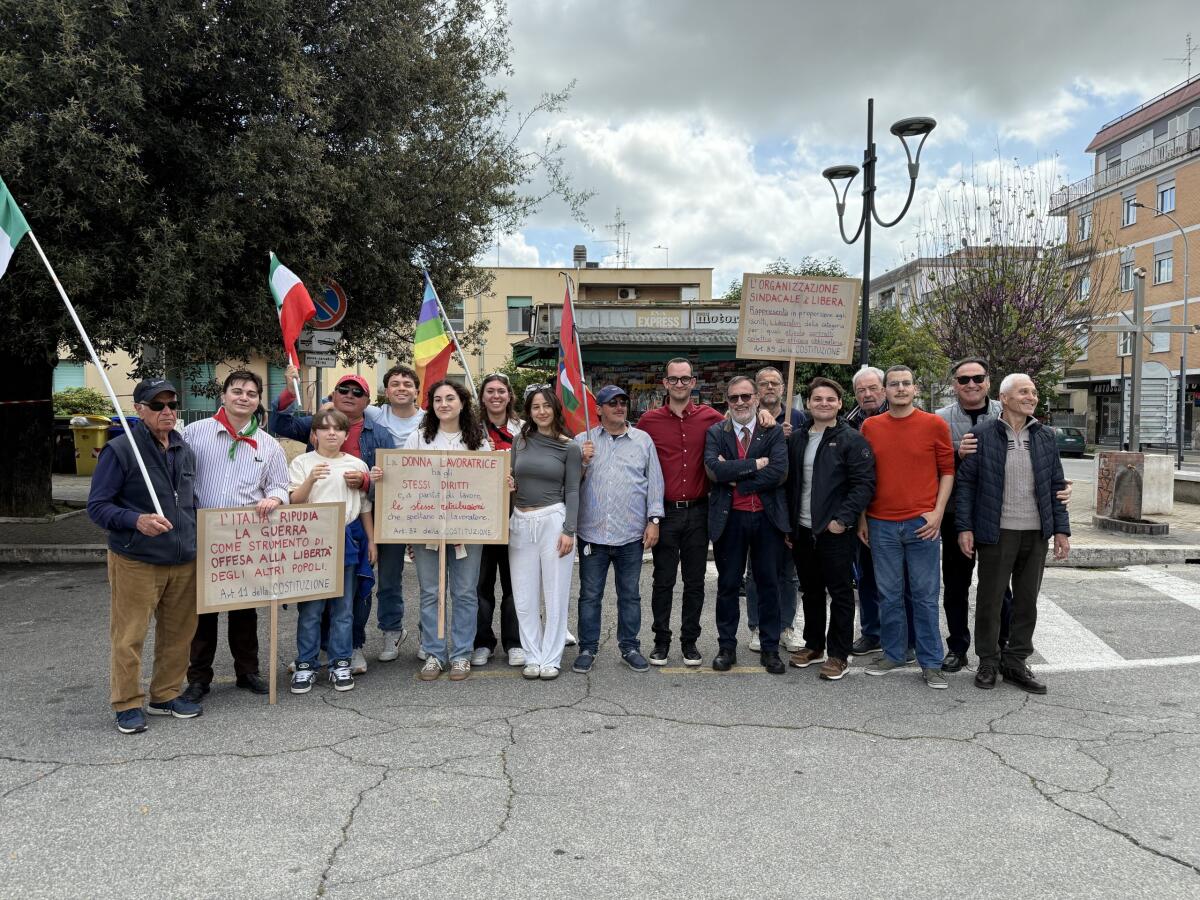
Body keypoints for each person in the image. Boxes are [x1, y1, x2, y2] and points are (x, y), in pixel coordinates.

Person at [87, 378, 201, 734]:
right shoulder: (120, 451)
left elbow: (189, 501)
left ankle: (165, 695)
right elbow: (98, 507)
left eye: (172, 404)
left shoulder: (184, 449)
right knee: (129, 634)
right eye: (157, 405)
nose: (167, 411)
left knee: (179, 634)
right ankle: (126, 702)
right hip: (136, 559)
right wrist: (135, 520)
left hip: (183, 557)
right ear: (139, 410)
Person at [272, 365, 395, 675]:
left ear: (367, 401)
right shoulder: (305, 455)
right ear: (315, 433)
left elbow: (391, 483)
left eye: (357, 392)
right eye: (344, 390)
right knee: (312, 605)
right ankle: (310, 656)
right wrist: (289, 389)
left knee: (352, 600)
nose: (349, 396)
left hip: (352, 531)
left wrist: (367, 483)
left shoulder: (378, 435)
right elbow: (279, 422)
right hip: (312, 536)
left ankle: (349, 650)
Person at [180, 370, 290, 704]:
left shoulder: (269, 445)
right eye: (237, 391)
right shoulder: (193, 434)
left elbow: (279, 485)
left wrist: (275, 497)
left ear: (258, 401)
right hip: (203, 533)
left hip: (245, 539)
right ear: (224, 395)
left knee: (244, 611)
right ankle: (198, 678)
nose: (243, 398)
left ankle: (247, 672)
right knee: (203, 612)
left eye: (251, 394)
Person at [957, 374, 1070, 694]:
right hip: (996, 531)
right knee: (991, 601)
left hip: (1036, 533)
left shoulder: (1046, 436)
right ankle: (989, 661)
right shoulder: (981, 433)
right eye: (1024, 392)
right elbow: (967, 484)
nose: (1031, 397)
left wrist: (1061, 530)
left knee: (1026, 602)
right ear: (1004, 399)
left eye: (1033, 392)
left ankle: (1016, 661)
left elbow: (1056, 487)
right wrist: (965, 527)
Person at [859, 365, 955, 689]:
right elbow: (863, 477)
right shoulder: (870, 427)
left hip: (921, 524)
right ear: (885, 391)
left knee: (925, 596)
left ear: (915, 389)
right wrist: (862, 518)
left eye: (906, 383)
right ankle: (894, 652)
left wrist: (938, 512)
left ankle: (931, 662)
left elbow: (947, 471)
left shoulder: (934, 425)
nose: (900, 388)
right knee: (888, 594)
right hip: (881, 524)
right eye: (894, 384)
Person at [785, 377, 875, 682]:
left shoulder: (851, 439)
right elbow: (790, 484)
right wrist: (789, 524)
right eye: (817, 399)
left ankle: (839, 654)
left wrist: (842, 520)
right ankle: (814, 646)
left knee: (839, 592)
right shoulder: (796, 438)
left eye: (830, 399)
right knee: (810, 590)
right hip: (802, 529)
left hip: (834, 530)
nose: (823, 404)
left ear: (839, 403)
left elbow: (863, 485)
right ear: (808, 404)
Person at [636, 358, 724, 666]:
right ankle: (661, 642)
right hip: (665, 513)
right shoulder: (648, 422)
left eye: (684, 379)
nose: (679, 384)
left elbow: (744, 424)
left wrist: (765, 414)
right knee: (663, 581)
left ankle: (690, 642)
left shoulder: (712, 418)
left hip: (699, 512)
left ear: (693, 382)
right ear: (665, 384)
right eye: (673, 379)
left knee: (695, 581)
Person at [573, 385, 664, 674]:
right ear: (598, 409)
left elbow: (655, 483)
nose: (619, 407)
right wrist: (582, 462)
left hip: (630, 535)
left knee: (630, 595)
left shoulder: (642, 440)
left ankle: (630, 647)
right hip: (592, 534)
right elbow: (569, 487)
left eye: (623, 402)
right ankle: (588, 647)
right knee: (590, 595)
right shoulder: (582, 441)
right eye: (611, 403)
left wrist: (654, 520)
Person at [405, 380, 492, 682]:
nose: (444, 404)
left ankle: (461, 655)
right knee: (431, 592)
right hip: (427, 528)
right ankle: (434, 653)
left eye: (450, 398)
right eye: (438, 399)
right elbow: (405, 478)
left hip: (467, 530)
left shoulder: (477, 440)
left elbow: (488, 482)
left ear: (463, 403)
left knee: (465, 592)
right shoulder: (418, 439)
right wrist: (383, 474)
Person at [704, 375, 789, 674]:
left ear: (755, 398)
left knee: (768, 584)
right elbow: (715, 470)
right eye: (733, 398)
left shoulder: (773, 432)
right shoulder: (716, 432)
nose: (740, 402)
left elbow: (779, 472)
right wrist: (754, 465)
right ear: (726, 402)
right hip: (731, 520)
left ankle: (770, 649)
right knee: (727, 585)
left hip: (767, 519)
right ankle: (726, 647)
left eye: (745, 396)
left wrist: (737, 481)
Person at [287, 409, 376, 694]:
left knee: (343, 608)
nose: (331, 433)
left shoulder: (356, 464)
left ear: (346, 434)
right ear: (314, 434)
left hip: (346, 540)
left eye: (337, 429)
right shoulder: (302, 463)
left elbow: (363, 508)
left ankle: (340, 661)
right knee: (311, 609)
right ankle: (306, 664)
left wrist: (372, 542)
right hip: (311, 543)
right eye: (324, 429)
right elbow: (294, 502)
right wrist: (311, 479)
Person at [509, 387, 582, 680]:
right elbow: (513, 477)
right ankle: (532, 655)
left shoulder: (570, 446)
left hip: (554, 520)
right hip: (520, 521)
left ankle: (551, 657)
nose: (541, 411)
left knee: (555, 594)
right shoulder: (520, 441)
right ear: (529, 411)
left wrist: (569, 530)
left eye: (546, 406)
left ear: (555, 409)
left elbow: (574, 490)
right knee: (524, 597)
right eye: (535, 407)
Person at [845, 366, 915, 659]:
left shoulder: (908, 415)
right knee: (867, 578)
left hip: (904, 510)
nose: (867, 394)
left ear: (884, 389)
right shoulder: (849, 422)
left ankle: (909, 637)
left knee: (907, 580)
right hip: (867, 511)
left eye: (873, 388)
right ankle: (872, 632)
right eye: (861, 390)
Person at [365, 363, 424, 664]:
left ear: (417, 390)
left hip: (424, 509)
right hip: (386, 508)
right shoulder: (373, 416)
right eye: (395, 383)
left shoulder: (431, 419)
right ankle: (391, 630)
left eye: (407, 383)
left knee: (431, 577)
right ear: (386, 391)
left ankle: (429, 634)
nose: (401, 388)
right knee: (388, 577)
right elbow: (333, 409)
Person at [745, 366, 804, 652]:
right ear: (756, 389)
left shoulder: (799, 417)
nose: (770, 387)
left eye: (775, 383)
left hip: (788, 502)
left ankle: (786, 626)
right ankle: (756, 625)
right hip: (756, 502)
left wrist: (790, 438)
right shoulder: (745, 417)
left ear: (783, 388)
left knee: (788, 572)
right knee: (756, 570)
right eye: (764, 383)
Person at [474, 372, 525, 668]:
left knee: (514, 584)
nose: (496, 396)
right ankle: (482, 641)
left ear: (509, 396)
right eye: (490, 391)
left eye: (501, 391)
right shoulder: (471, 430)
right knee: (480, 586)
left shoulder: (523, 430)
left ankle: (515, 642)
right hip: (480, 519)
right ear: (483, 396)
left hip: (514, 516)